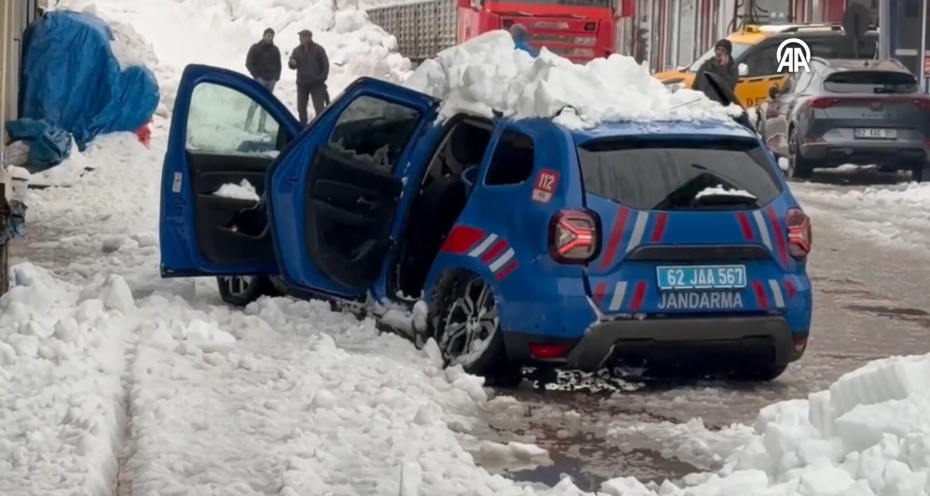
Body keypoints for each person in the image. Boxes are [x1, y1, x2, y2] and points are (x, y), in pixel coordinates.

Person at [288, 29, 330, 125]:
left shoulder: (318, 49)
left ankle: (321, 125)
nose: (300, 39)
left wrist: (322, 78)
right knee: (301, 108)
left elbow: (325, 65)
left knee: (319, 107)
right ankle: (303, 126)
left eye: (302, 37)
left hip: (316, 84)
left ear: (309, 38)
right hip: (302, 84)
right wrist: (292, 63)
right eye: (300, 37)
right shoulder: (297, 50)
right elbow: (292, 64)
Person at [244, 28, 282, 133]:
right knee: (255, 102)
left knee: (266, 105)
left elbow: (279, 65)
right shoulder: (256, 48)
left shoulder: (275, 50)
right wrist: (256, 76)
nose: (270, 38)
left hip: (271, 81)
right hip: (259, 79)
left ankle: (261, 127)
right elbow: (249, 63)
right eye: (268, 35)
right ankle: (247, 125)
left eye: (272, 36)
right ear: (264, 35)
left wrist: (276, 78)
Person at [694, 39, 738, 104]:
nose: (719, 52)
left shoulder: (732, 68)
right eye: (718, 49)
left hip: (721, 104)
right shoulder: (708, 64)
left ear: (727, 54)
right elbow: (696, 84)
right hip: (704, 101)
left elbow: (727, 87)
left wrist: (723, 67)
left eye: (723, 50)